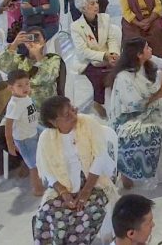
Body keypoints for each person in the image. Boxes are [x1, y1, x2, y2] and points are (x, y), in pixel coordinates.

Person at [33, 96, 116, 243]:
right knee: (47, 213)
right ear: (53, 122)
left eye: (72, 109)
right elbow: (48, 171)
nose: (73, 115)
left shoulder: (88, 123)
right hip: (64, 185)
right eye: (66, 115)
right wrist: (64, 193)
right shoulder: (46, 137)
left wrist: (85, 192)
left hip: (93, 182)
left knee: (85, 214)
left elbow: (100, 157)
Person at [109, 37, 162, 187]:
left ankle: (154, 172)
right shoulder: (124, 77)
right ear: (139, 54)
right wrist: (159, 94)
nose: (151, 50)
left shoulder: (148, 63)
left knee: (153, 129)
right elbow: (133, 104)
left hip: (149, 111)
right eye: (147, 48)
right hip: (128, 117)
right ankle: (129, 173)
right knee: (146, 132)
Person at [69, 0, 120, 117]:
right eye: (92, 4)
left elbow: (112, 39)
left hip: (108, 57)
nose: (96, 6)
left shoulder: (105, 18)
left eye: (96, 2)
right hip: (88, 61)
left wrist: (113, 54)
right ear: (83, 8)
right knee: (99, 76)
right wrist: (103, 56)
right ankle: (98, 103)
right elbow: (82, 51)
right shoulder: (76, 26)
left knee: (120, 72)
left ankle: (118, 101)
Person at [0, 28, 65, 108]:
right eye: (30, 38)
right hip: (24, 110)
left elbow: (46, 77)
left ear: (44, 41)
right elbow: (2, 65)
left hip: (47, 110)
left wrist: (38, 56)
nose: (33, 41)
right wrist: (14, 45)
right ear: (25, 42)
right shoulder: (20, 60)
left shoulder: (53, 59)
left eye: (36, 38)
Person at [4, 69, 44, 196]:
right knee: (34, 165)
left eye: (27, 83)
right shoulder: (14, 105)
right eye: (20, 85)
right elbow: (8, 125)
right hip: (25, 138)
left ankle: (28, 166)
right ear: (11, 88)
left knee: (48, 138)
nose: (25, 87)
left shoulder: (25, 96)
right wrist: (10, 144)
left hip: (33, 129)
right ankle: (37, 188)